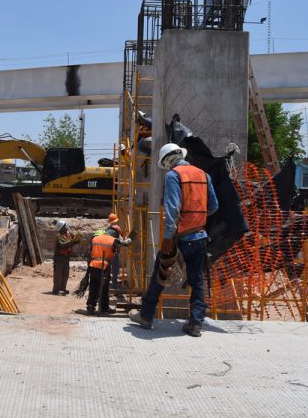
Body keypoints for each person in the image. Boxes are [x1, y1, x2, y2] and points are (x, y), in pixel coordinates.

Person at [129, 143, 218, 337]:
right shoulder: (204, 175)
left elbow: (173, 210)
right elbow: (213, 206)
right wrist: (197, 216)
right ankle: (195, 323)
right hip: (200, 236)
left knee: (160, 274)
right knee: (197, 281)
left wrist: (168, 238)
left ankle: (146, 315)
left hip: (180, 238)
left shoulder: (173, 176)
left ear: (168, 161)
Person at [83, 229, 130, 315]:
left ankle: (90, 307)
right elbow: (124, 243)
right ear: (113, 234)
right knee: (104, 288)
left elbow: (90, 251)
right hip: (104, 266)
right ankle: (104, 308)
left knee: (93, 287)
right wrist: (129, 240)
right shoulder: (112, 240)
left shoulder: (95, 238)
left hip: (93, 265)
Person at [52, 220, 80, 295]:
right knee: (58, 274)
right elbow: (62, 244)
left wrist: (76, 238)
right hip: (59, 258)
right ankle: (56, 290)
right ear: (61, 228)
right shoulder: (59, 236)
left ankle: (63, 289)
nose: (66, 227)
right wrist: (71, 241)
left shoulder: (68, 234)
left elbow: (76, 240)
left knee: (65, 274)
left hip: (66, 257)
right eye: (65, 226)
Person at [105, 213, 123, 291]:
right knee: (115, 269)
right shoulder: (117, 228)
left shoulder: (107, 229)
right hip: (115, 252)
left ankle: (106, 284)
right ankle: (114, 285)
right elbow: (121, 238)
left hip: (108, 252)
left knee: (108, 268)